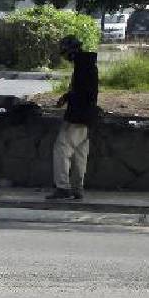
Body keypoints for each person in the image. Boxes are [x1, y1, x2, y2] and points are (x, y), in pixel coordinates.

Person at [49, 35, 100, 201]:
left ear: (70, 51)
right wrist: (66, 97)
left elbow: (83, 93)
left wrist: (69, 99)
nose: (64, 56)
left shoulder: (82, 67)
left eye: (65, 52)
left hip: (78, 116)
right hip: (86, 116)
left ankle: (63, 187)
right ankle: (78, 188)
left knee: (61, 148)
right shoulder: (86, 64)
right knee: (80, 153)